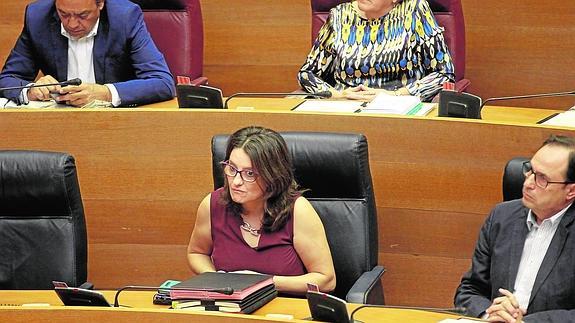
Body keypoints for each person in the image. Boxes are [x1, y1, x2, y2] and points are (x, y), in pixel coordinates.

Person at [187, 126, 336, 294]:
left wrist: (263, 282)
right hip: (231, 309)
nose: (235, 182)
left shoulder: (298, 210)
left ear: (272, 176)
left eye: (249, 174)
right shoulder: (213, 204)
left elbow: (326, 280)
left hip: (285, 310)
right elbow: (197, 253)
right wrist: (216, 279)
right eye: (232, 168)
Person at [454, 135, 575, 322]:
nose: (527, 183)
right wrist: (490, 314)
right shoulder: (501, 217)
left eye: (542, 179)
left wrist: (524, 322)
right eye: (530, 171)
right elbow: (470, 290)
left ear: (571, 191)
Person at [0, 0, 175, 107]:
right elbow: (8, 80)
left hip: (116, 124)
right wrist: (31, 90)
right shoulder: (38, 17)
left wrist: (105, 93)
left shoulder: (125, 17)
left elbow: (163, 82)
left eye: (82, 15)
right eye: (63, 14)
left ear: (101, 4)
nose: (72, 24)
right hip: (58, 123)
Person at [298, 0, 455, 102]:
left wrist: (394, 96)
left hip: (397, 108)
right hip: (345, 108)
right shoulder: (339, 16)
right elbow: (307, 73)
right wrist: (337, 95)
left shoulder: (415, 11)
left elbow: (444, 75)